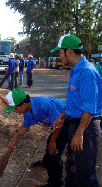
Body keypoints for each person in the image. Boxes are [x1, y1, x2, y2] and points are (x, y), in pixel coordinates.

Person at [51, 34, 102, 186]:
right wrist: (62, 114)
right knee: (72, 170)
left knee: (85, 175)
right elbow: (75, 100)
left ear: (69, 52)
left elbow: (89, 106)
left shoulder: (86, 71)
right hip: (77, 125)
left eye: (60, 52)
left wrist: (79, 133)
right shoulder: (75, 70)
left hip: (86, 128)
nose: (59, 56)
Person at [6, 88, 67, 187]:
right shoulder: (27, 111)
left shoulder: (44, 105)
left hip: (68, 121)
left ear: (24, 104)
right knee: (50, 143)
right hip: (57, 125)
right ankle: (46, 162)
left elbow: (59, 125)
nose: (16, 111)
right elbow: (25, 127)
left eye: (16, 109)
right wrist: (15, 138)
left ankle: (55, 183)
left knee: (54, 151)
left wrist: (53, 141)